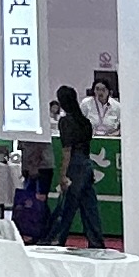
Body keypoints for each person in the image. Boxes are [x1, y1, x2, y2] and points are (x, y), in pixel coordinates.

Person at [49, 81, 105, 248]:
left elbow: (67, 151)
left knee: (67, 205)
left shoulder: (65, 122)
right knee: (89, 206)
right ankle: (96, 242)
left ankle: (56, 239)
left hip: (74, 165)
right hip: (86, 165)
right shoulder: (85, 122)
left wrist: (62, 175)